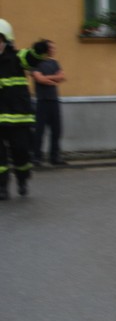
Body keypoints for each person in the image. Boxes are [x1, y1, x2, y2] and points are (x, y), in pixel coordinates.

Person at [0, 19, 49, 199]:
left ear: (7, 41)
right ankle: (2, 187)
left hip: (18, 117)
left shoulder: (17, 57)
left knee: (20, 152)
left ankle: (22, 179)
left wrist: (39, 49)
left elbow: (31, 57)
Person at [30, 39, 67, 166]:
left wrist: (48, 78)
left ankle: (55, 157)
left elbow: (61, 76)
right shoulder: (36, 63)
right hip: (42, 101)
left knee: (56, 130)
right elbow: (39, 79)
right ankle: (36, 157)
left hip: (53, 101)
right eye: (51, 47)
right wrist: (52, 79)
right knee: (39, 131)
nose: (54, 50)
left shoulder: (55, 63)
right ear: (46, 49)